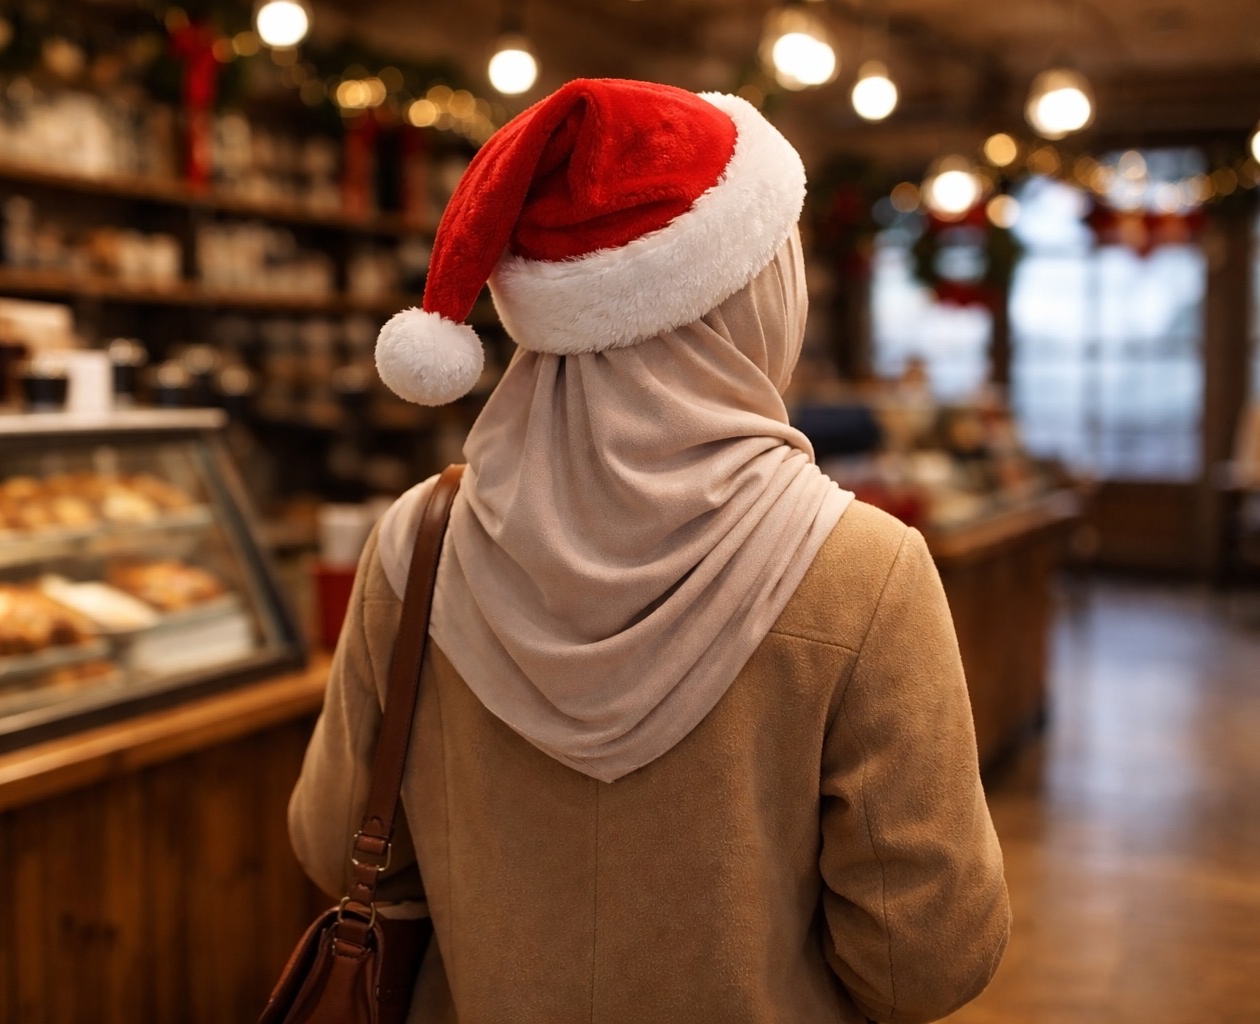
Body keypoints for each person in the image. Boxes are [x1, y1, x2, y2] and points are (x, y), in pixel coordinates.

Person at [289, 78, 1009, 1024]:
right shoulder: (863, 568)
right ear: (753, 302)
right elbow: (925, 958)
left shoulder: (416, 542)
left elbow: (333, 839)